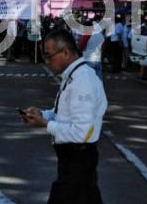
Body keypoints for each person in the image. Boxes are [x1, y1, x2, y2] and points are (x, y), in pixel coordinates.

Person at [22, 29, 107, 204]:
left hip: (79, 159)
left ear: (66, 52)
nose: (47, 62)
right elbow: (63, 113)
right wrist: (42, 114)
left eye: (49, 56)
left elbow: (81, 133)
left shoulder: (82, 81)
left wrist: (45, 124)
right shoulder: (74, 76)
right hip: (72, 159)